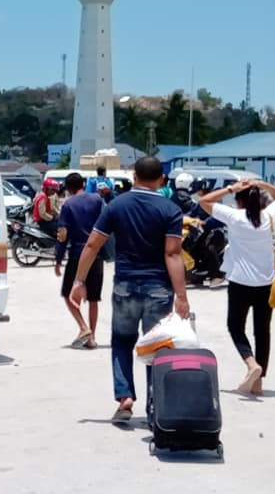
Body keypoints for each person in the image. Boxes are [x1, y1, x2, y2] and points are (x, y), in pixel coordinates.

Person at [69, 156, 190, 422]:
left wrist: (79, 281)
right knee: (157, 347)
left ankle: (125, 397)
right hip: (159, 289)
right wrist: (181, 296)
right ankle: (155, 407)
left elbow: (93, 244)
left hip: (125, 286)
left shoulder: (116, 205)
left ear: (134, 176)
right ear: (162, 180)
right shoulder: (170, 210)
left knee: (122, 341)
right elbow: (172, 254)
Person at [201, 178, 275, 395]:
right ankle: (258, 383)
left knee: (235, 326)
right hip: (265, 283)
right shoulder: (269, 216)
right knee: (262, 331)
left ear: (239, 201)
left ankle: (251, 364)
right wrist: (260, 183)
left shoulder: (234, 217)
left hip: (240, 282)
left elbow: (204, 201)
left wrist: (231, 188)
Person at [56, 173, 105, 349]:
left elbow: (63, 235)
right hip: (96, 253)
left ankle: (84, 327)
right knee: (93, 298)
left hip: (77, 254)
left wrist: (58, 258)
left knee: (67, 293)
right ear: (83, 184)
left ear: (68, 189)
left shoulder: (68, 205)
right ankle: (92, 338)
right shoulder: (97, 200)